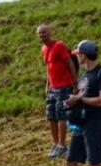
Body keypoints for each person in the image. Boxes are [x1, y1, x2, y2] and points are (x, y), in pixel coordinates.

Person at [64, 40, 101, 166]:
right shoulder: (84, 75)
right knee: (71, 160)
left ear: (84, 55)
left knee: (94, 162)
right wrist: (72, 101)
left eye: (79, 54)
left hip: (96, 121)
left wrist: (80, 99)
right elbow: (80, 96)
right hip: (81, 122)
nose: (77, 57)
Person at [37, 24, 78, 158]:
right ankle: (55, 144)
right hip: (52, 87)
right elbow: (49, 68)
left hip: (64, 85)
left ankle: (62, 145)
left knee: (61, 115)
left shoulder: (59, 46)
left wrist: (75, 83)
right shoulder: (43, 48)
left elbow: (70, 64)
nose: (42, 35)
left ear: (49, 32)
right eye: (39, 33)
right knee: (51, 116)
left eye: (44, 32)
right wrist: (47, 85)